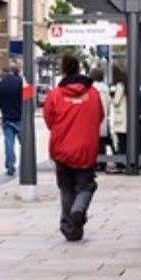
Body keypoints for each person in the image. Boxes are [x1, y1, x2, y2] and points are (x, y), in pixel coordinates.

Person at [41, 53, 106, 242]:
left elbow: (49, 120)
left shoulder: (55, 95)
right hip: (86, 148)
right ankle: (78, 210)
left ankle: (70, 228)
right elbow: (99, 116)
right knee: (86, 186)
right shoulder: (92, 94)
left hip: (62, 149)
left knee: (66, 188)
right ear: (79, 69)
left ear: (63, 70)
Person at [0, 64, 24, 177]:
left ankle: (10, 167)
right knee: (26, 143)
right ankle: (27, 165)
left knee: (9, 144)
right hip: (20, 119)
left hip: (7, 119)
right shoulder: (21, 83)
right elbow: (28, 100)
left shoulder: (0, 85)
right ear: (16, 72)